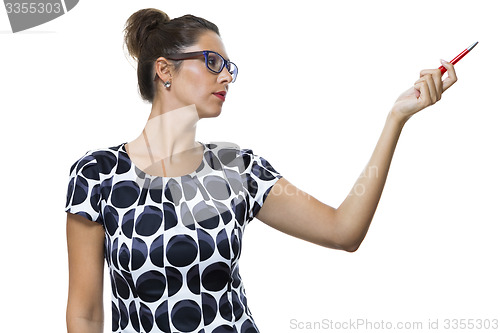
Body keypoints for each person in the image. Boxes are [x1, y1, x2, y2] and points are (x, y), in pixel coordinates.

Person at [64, 8, 457, 333]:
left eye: (229, 66)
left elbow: (343, 231)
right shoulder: (98, 175)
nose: (227, 76)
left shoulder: (237, 168)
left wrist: (396, 119)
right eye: (213, 62)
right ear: (165, 70)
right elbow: (85, 314)